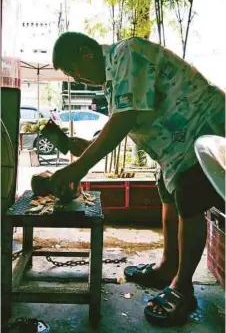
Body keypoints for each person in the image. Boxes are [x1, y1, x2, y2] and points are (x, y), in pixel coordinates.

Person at [51, 32, 225, 326]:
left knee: (189, 196)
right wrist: (83, 150)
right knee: (167, 192)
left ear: (87, 52)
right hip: (174, 148)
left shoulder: (127, 53)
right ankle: (168, 266)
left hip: (203, 129)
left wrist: (76, 169)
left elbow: (125, 119)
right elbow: (125, 118)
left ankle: (182, 287)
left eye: (74, 70)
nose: (78, 79)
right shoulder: (112, 75)